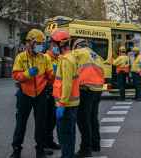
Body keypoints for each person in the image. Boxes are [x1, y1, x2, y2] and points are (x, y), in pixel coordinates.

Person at [10, 29, 53, 158]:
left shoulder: (44, 58)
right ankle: (16, 150)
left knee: (41, 124)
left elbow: (50, 76)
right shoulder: (21, 57)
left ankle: (40, 150)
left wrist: (53, 74)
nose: (40, 46)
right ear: (29, 43)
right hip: (24, 94)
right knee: (21, 123)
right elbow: (15, 75)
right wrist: (27, 74)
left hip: (40, 94)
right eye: (37, 43)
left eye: (41, 43)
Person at [72, 39, 105, 157]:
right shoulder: (96, 56)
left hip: (85, 89)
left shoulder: (78, 53)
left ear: (76, 46)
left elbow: (70, 68)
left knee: (83, 119)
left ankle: (85, 149)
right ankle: (95, 144)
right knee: (92, 118)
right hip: (97, 90)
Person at [52, 30, 80, 158]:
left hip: (66, 104)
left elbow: (67, 84)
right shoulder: (68, 57)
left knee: (65, 136)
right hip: (70, 103)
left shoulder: (67, 60)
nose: (52, 46)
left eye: (54, 43)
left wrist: (62, 104)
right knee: (70, 134)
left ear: (61, 44)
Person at [43, 36, 62, 150]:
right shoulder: (46, 57)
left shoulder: (58, 58)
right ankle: (44, 143)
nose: (56, 48)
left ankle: (50, 141)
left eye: (57, 46)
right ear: (50, 46)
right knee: (46, 119)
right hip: (47, 91)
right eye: (54, 46)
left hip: (56, 92)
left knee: (52, 119)